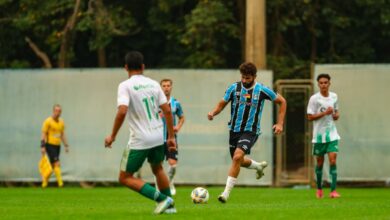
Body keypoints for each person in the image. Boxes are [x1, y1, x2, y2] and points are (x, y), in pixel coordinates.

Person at [104, 51, 177, 214]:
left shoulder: (125, 86)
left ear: (126, 67)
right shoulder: (153, 84)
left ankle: (163, 199)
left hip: (140, 139)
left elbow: (122, 111)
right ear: (143, 67)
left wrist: (112, 136)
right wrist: (171, 136)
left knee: (124, 177)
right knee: (158, 168)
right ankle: (170, 208)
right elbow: (167, 110)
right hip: (158, 136)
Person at [208, 62, 286, 203]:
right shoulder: (234, 88)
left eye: (248, 78)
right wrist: (213, 112)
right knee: (237, 160)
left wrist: (280, 123)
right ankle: (258, 166)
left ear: (254, 77)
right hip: (234, 130)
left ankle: (225, 193)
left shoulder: (262, 90)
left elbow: (282, 101)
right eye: (243, 77)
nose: (244, 81)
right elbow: (222, 103)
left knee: (237, 157)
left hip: (251, 131)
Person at [307, 73, 340, 199]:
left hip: (332, 135)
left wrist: (336, 115)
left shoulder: (334, 96)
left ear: (329, 83)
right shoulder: (314, 99)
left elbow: (336, 113)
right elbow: (309, 117)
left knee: (332, 160)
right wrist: (325, 113)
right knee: (320, 163)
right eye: (321, 83)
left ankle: (333, 191)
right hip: (319, 137)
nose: (323, 85)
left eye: (325, 82)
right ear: (318, 84)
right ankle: (319, 189)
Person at [159, 79, 185, 196]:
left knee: (173, 165)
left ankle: (170, 183)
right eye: (164, 86)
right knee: (158, 166)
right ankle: (160, 188)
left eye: (168, 85)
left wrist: (178, 127)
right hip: (157, 139)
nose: (166, 88)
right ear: (160, 87)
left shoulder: (176, 103)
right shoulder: (155, 102)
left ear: (171, 87)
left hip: (171, 139)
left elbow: (182, 117)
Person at [40, 104, 69, 188]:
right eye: (56, 111)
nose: (58, 112)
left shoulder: (61, 122)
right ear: (53, 111)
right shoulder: (48, 121)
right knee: (57, 163)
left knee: (53, 166)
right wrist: (42, 146)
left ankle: (44, 183)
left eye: (59, 111)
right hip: (49, 145)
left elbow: (62, 134)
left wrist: (66, 145)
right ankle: (60, 184)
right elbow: (43, 134)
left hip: (57, 146)